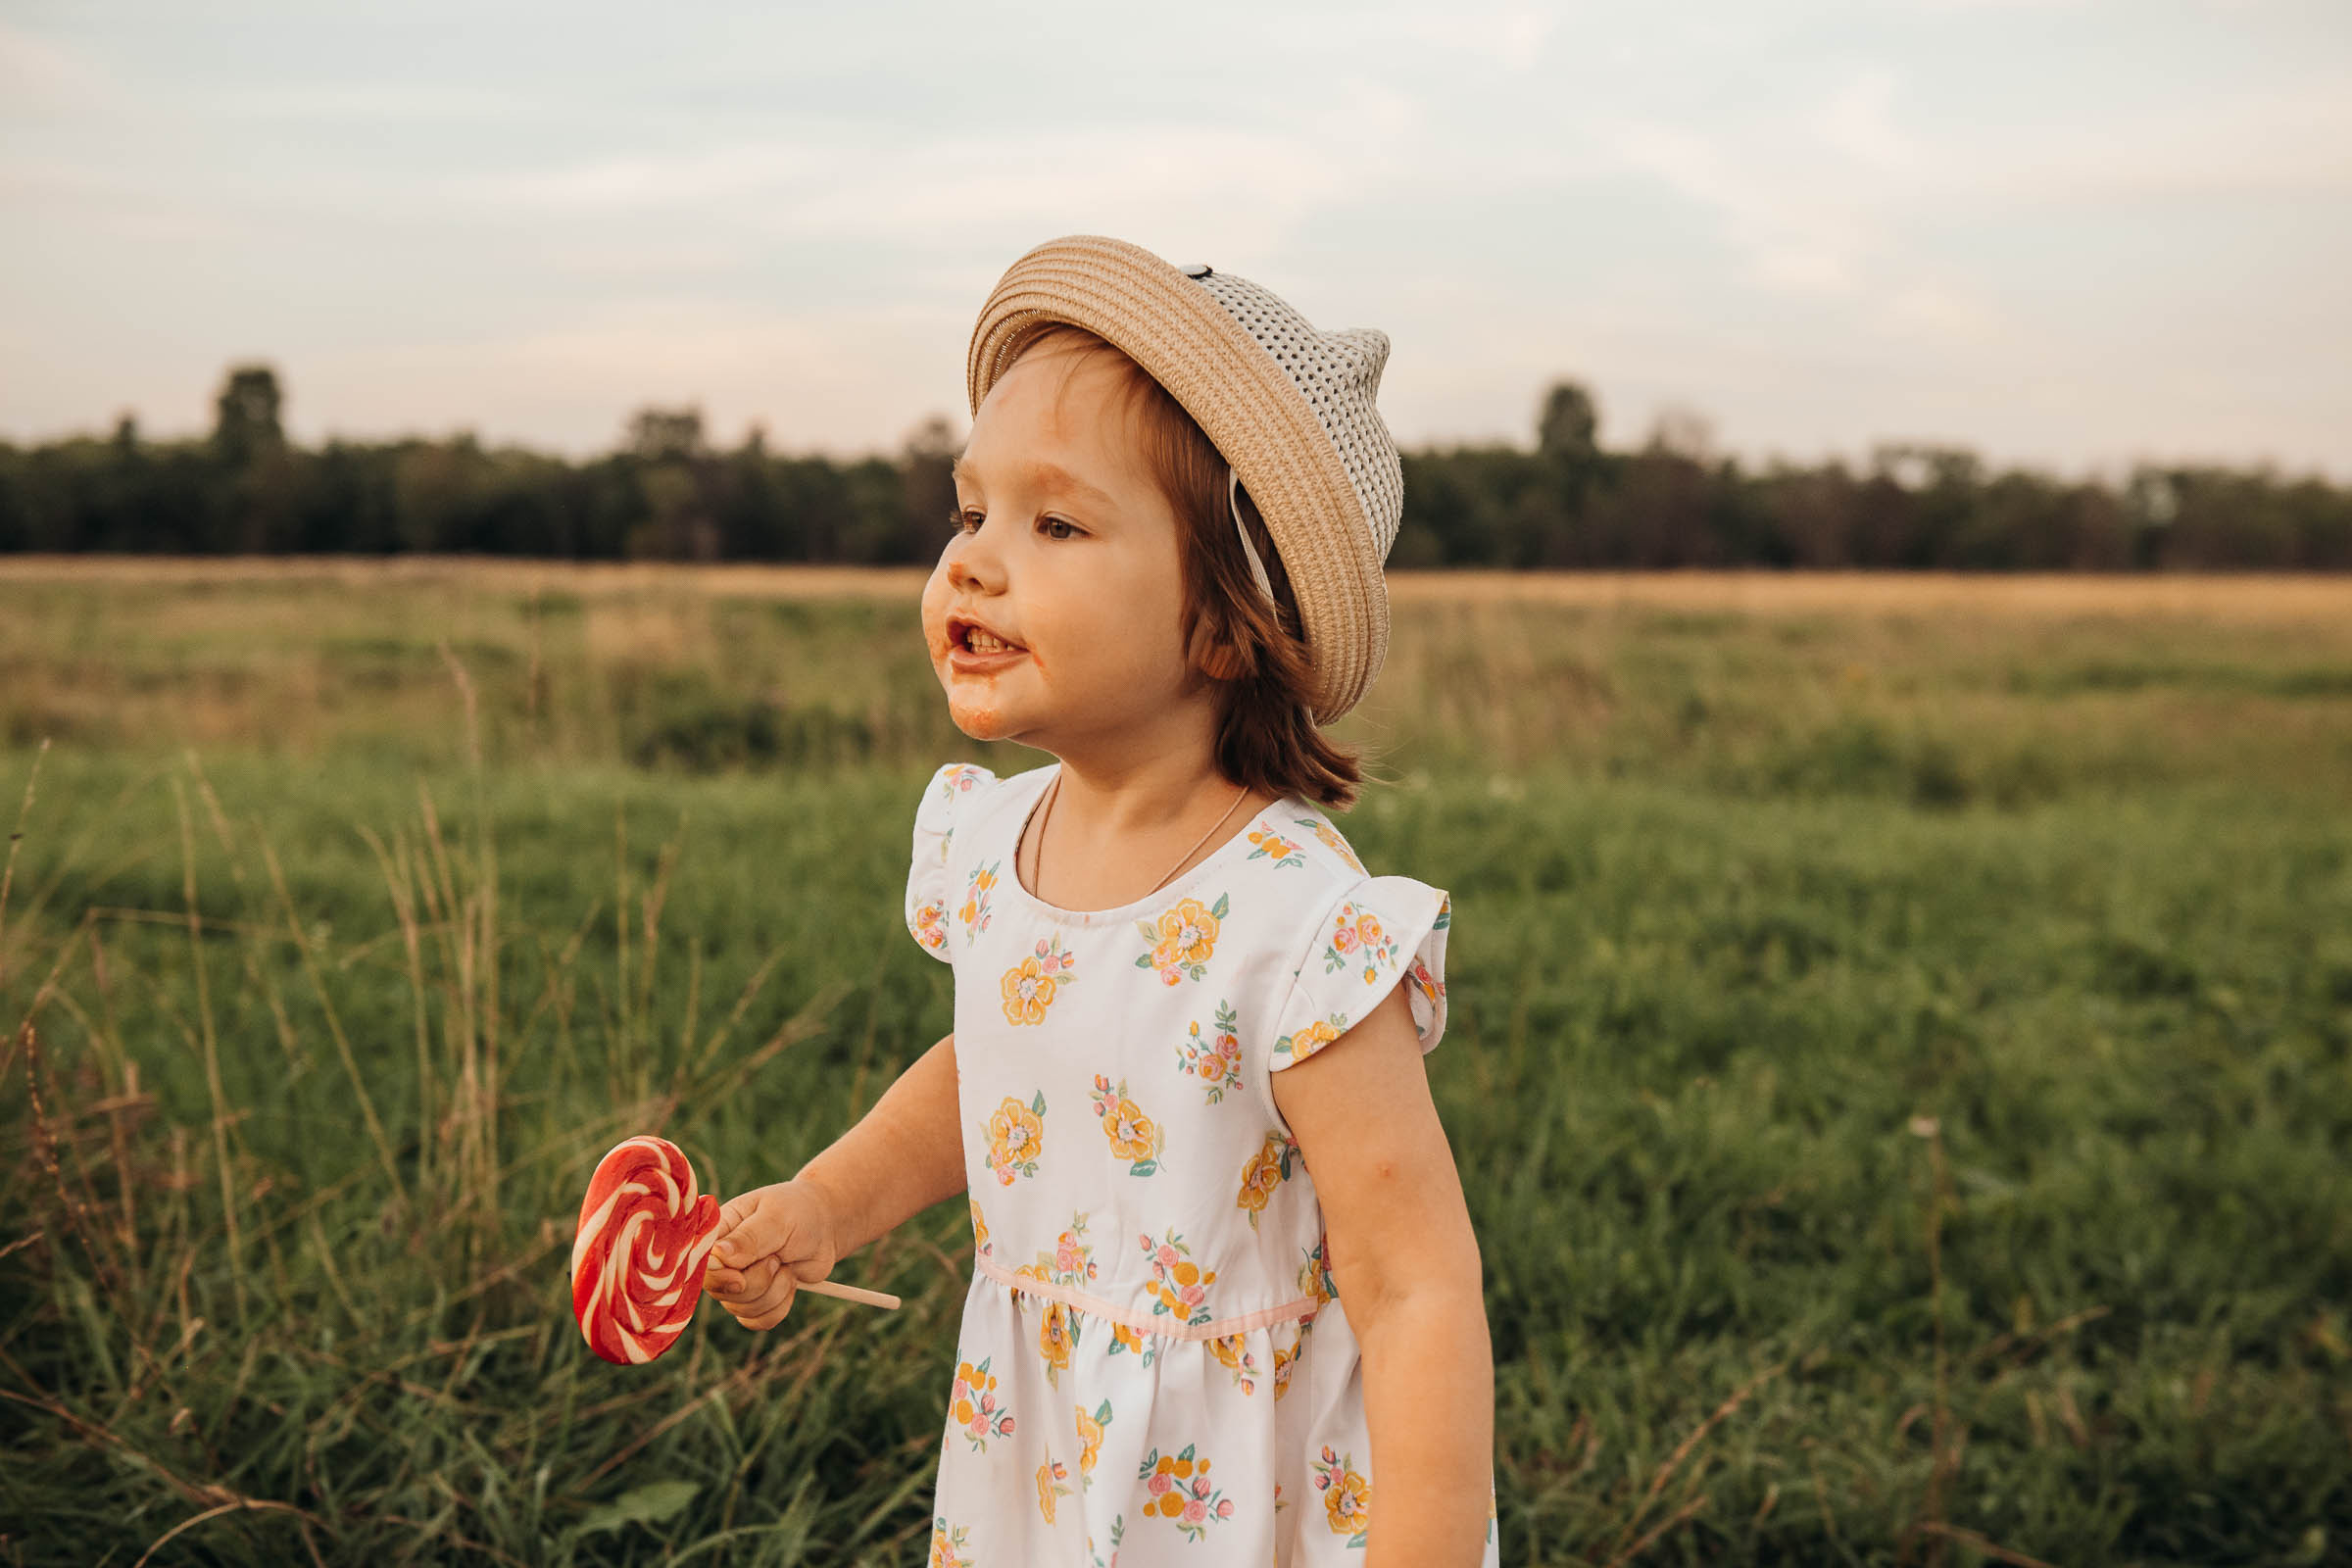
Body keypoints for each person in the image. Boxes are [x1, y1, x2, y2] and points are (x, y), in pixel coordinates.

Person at [701, 235, 1499, 1566]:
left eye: (1056, 524)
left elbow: (1415, 1283)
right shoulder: (998, 839)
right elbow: (997, 1073)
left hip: (1243, 1482)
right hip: (1045, 1438)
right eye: (970, 514)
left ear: (1226, 619)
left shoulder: (1297, 924)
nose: (976, 562)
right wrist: (826, 1206)